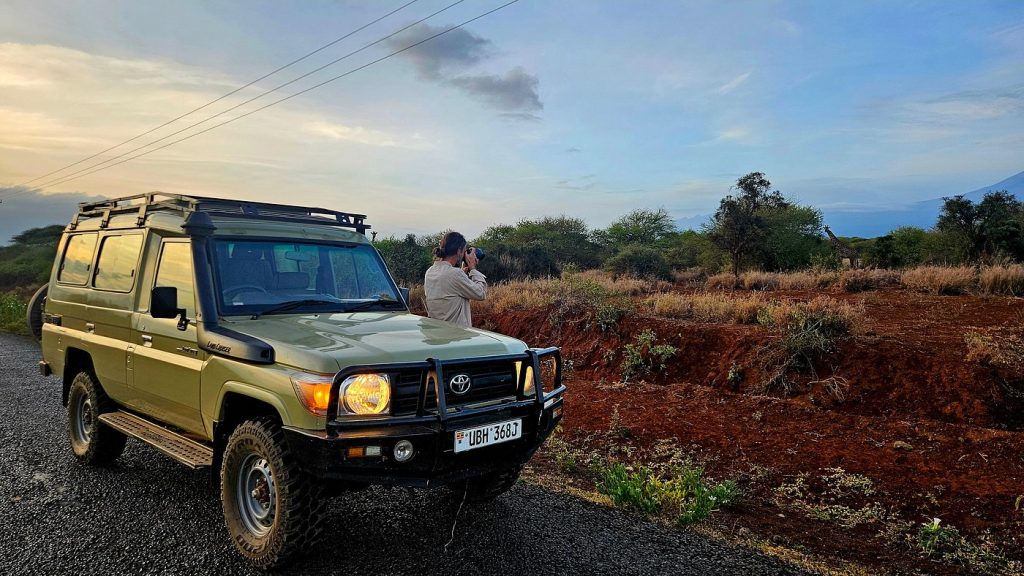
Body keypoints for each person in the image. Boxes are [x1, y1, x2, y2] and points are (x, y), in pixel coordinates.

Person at [424, 231, 487, 327]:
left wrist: (462, 272)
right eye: (464, 251)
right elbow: (480, 293)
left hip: (437, 333)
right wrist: (473, 268)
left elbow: (449, 288)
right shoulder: (455, 274)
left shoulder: (430, 272)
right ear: (458, 251)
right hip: (456, 336)